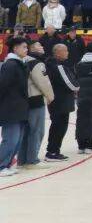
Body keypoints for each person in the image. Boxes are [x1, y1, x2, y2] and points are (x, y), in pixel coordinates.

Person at [17, 39, 52, 169]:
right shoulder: (36, 63)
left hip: (23, 100)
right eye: (39, 45)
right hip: (35, 100)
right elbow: (43, 83)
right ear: (31, 49)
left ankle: (22, 160)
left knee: (25, 131)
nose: (42, 47)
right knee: (36, 131)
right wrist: (50, 97)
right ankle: (32, 160)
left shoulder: (20, 61)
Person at [0, 36, 29, 176]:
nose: (26, 49)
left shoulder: (20, 64)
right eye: (24, 47)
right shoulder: (10, 65)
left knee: (17, 139)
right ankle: (1, 165)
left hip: (20, 107)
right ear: (15, 48)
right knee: (10, 138)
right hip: (10, 108)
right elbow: (3, 86)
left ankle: (8, 163)